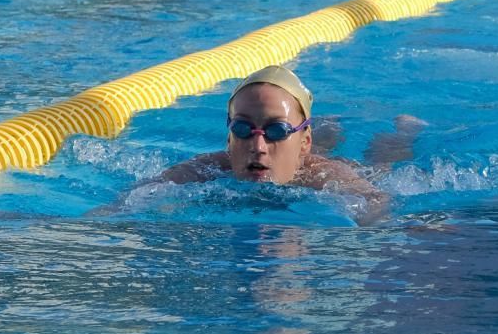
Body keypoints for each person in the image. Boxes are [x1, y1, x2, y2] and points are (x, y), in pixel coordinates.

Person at [154, 65, 426, 225]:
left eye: (276, 130)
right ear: (229, 138)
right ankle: (316, 127)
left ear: (304, 141)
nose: (257, 145)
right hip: (300, 146)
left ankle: (404, 130)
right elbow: (137, 198)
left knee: (380, 167)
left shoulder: (325, 177)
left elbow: (378, 202)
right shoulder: (209, 168)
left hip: (319, 162)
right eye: (242, 129)